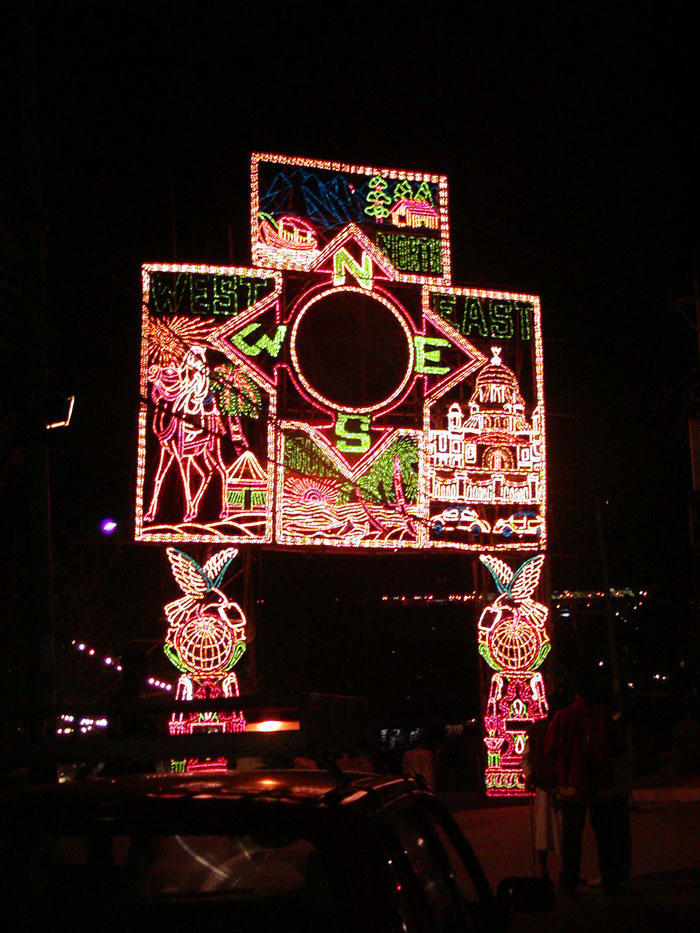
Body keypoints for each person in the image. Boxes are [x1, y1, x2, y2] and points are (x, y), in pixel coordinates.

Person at [544, 674, 621, 895]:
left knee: (571, 836)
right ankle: (610, 881)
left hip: (571, 785)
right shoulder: (602, 716)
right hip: (600, 784)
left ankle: (568, 882)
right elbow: (618, 746)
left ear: (575, 693)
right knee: (605, 835)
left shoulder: (562, 717)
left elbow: (549, 749)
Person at [522, 689, 567, 879]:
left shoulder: (537, 728)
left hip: (549, 785)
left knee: (545, 831)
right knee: (559, 830)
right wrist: (530, 775)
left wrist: (530, 775)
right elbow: (527, 756)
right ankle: (561, 872)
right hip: (556, 785)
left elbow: (526, 757)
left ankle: (550, 871)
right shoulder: (562, 727)